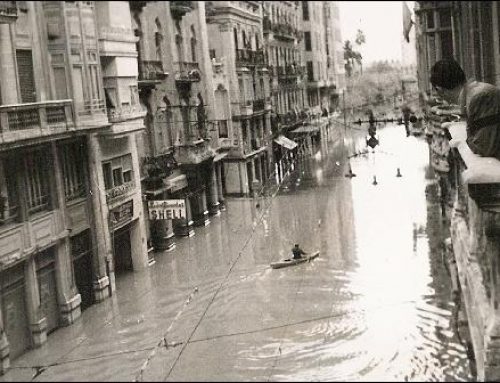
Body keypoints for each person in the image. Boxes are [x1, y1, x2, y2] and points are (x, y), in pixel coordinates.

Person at [430, 58, 500, 160]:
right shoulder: (473, 95)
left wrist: (467, 139)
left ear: (440, 90)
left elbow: (483, 147)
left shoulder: (478, 97)